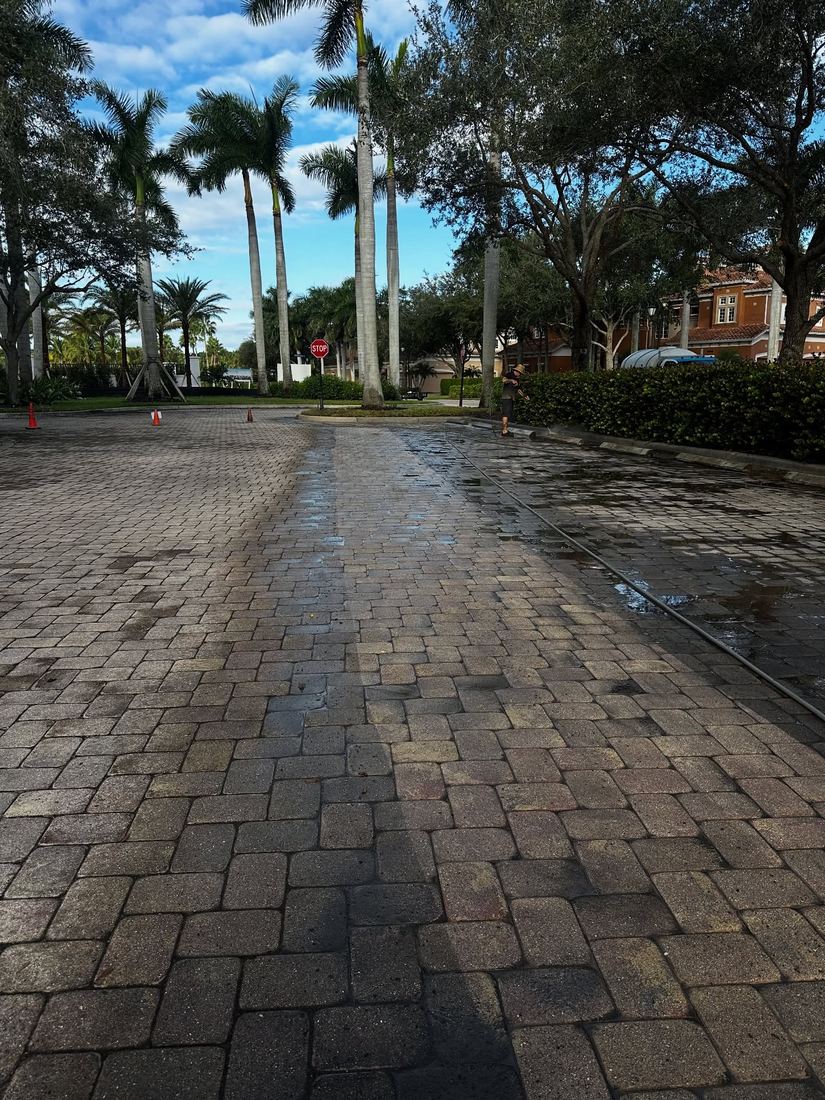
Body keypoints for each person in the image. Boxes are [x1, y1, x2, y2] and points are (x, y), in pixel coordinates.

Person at [500, 363, 528, 436]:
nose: (520, 375)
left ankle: (505, 430)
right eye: (520, 373)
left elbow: (519, 390)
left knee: (508, 414)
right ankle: (504, 431)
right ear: (517, 371)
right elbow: (504, 380)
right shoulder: (509, 375)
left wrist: (525, 396)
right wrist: (511, 380)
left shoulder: (517, 379)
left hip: (511, 398)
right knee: (505, 414)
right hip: (506, 397)